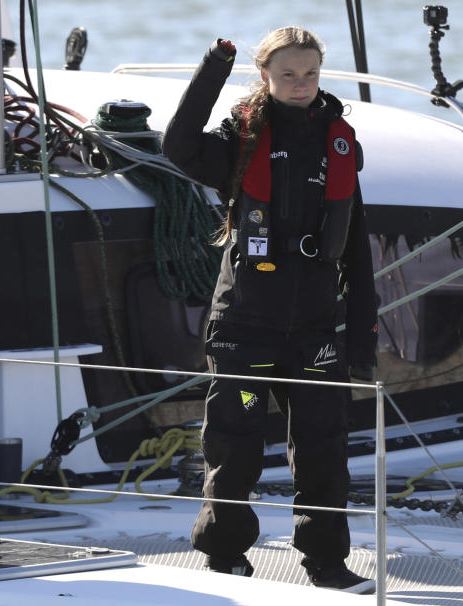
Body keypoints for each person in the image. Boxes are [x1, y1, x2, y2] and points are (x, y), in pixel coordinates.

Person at [162, 26, 378, 594]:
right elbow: (179, 146)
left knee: (324, 451)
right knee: (234, 446)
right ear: (265, 77)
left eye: (309, 74)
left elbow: (356, 246)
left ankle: (326, 563)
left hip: (315, 327)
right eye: (288, 74)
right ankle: (225, 556)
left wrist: (361, 335)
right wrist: (213, 67)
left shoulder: (339, 142)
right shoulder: (241, 138)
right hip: (245, 323)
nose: (300, 84)